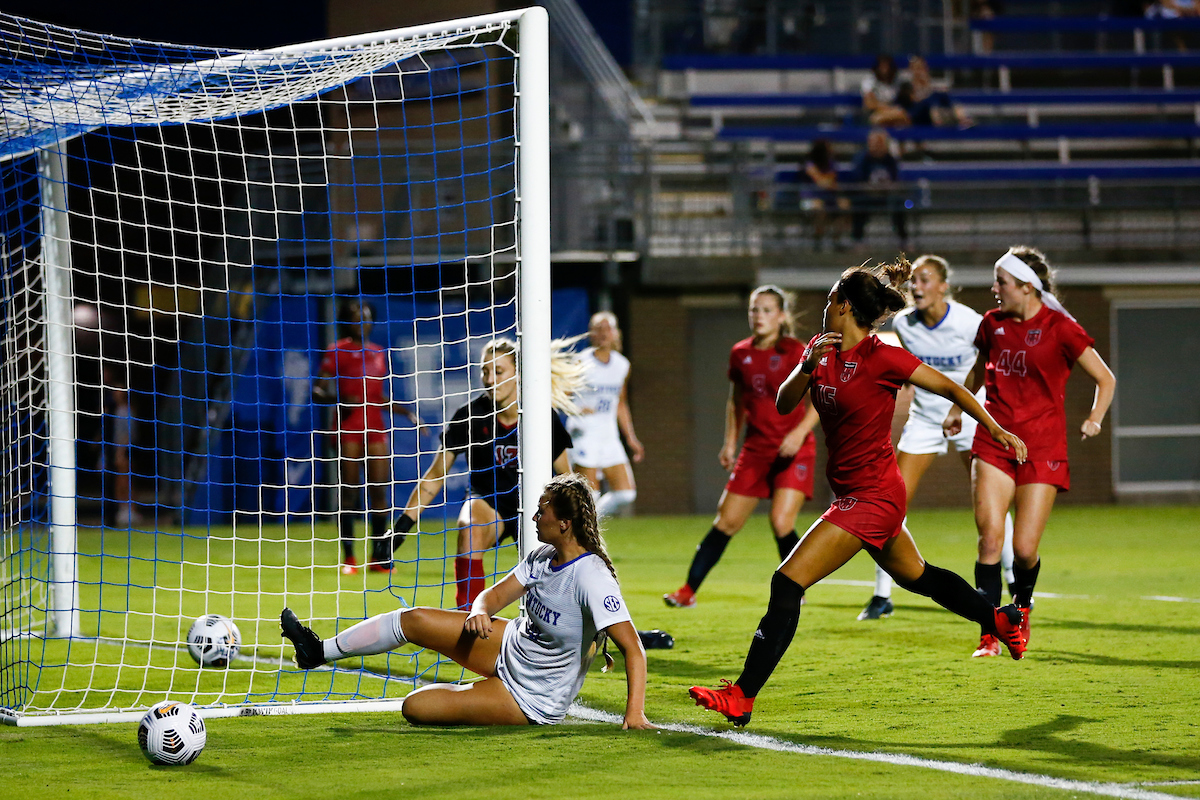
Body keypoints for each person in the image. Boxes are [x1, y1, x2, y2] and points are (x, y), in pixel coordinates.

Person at [688, 259, 1029, 728]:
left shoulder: (883, 357)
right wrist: (805, 367)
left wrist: (995, 428)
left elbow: (950, 387)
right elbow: (785, 403)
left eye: (830, 299)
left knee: (787, 582)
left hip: (873, 497)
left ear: (845, 306)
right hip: (853, 494)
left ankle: (743, 695)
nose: (825, 306)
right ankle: (1000, 620)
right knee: (919, 577)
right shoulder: (820, 351)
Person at [281, 473, 653, 728]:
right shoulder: (543, 555)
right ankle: (318, 651)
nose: (535, 517)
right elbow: (493, 596)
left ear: (565, 523)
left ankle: (475, 696)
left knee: (416, 707)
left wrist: (634, 713)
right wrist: (478, 611)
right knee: (412, 619)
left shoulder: (591, 576)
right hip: (508, 645)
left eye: (543, 511)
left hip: (530, 696)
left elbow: (633, 648)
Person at [946, 246, 1115, 658]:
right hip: (995, 440)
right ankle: (989, 633)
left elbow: (1105, 378)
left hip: (1043, 447)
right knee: (990, 540)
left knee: (1023, 550)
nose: (994, 289)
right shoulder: (992, 324)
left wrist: (1094, 417)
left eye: (1000, 282)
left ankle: (1020, 609)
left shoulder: (1061, 327)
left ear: (1026, 287)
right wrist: (957, 407)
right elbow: (979, 368)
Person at [857, 254, 1016, 622]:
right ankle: (883, 595)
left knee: (990, 504)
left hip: (972, 414)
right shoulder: (905, 324)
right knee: (890, 503)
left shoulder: (968, 321)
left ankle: (1013, 581)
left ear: (944, 285)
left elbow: (986, 364)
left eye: (926, 279)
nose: (917, 286)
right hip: (926, 419)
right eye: (914, 281)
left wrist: (961, 408)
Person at [388, 338, 582, 609]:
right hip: (489, 501)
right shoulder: (469, 416)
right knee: (470, 528)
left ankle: (599, 625)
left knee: (558, 591)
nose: (490, 379)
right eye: (485, 371)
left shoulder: (540, 417)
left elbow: (565, 478)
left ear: (518, 372)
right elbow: (435, 475)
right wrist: (401, 529)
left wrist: (576, 525)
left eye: (498, 371)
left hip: (536, 506)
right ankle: (467, 623)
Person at [664, 286, 821, 609]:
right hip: (756, 449)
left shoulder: (797, 351)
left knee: (781, 522)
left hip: (794, 449)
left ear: (781, 316)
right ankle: (688, 590)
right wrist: (729, 442)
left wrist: (799, 432)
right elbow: (735, 401)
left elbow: (819, 398)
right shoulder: (740, 353)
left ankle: (796, 586)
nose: (759, 316)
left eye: (766, 310)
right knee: (726, 521)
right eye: (754, 310)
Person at [314, 301, 421, 574]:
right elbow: (318, 390)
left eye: (367, 317)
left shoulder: (378, 352)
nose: (362, 321)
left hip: (374, 428)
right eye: (356, 317)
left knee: (379, 493)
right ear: (346, 321)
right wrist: (339, 399)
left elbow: (375, 396)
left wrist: (406, 413)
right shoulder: (336, 350)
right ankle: (349, 558)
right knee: (349, 493)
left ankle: (379, 557)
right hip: (348, 428)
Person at [568, 311, 645, 519]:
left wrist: (631, 437)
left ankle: (582, 523)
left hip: (608, 433)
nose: (602, 333)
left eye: (607, 328)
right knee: (589, 494)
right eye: (597, 328)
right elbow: (559, 396)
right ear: (590, 333)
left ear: (615, 333)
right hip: (583, 431)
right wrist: (575, 409)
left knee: (626, 493)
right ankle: (583, 529)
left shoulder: (622, 365)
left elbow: (620, 404)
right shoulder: (580, 362)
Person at [848, 129, 907, 249]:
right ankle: (857, 240)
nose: (877, 146)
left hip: (886, 195)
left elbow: (896, 180)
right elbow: (858, 181)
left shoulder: (890, 160)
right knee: (859, 203)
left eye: (880, 143)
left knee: (900, 203)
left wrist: (887, 187)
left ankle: (903, 239)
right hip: (867, 195)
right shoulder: (863, 159)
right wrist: (871, 188)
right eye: (875, 143)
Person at [801, 139, 851, 251]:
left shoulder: (831, 163)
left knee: (844, 207)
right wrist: (826, 182)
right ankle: (817, 240)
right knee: (819, 209)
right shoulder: (809, 163)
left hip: (829, 196)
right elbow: (821, 182)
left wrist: (829, 185)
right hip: (809, 197)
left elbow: (830, 182)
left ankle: (836, 239)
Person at [860, 54, 908, 128]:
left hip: (893, 113)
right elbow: (869, 104)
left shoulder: (897, 81)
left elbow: (902, 102)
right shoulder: (869, 81)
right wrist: (887, 108)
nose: (884, 68)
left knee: (904, 118)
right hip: (875, 113)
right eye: (882, 65)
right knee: (878, 119)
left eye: (887, 65)